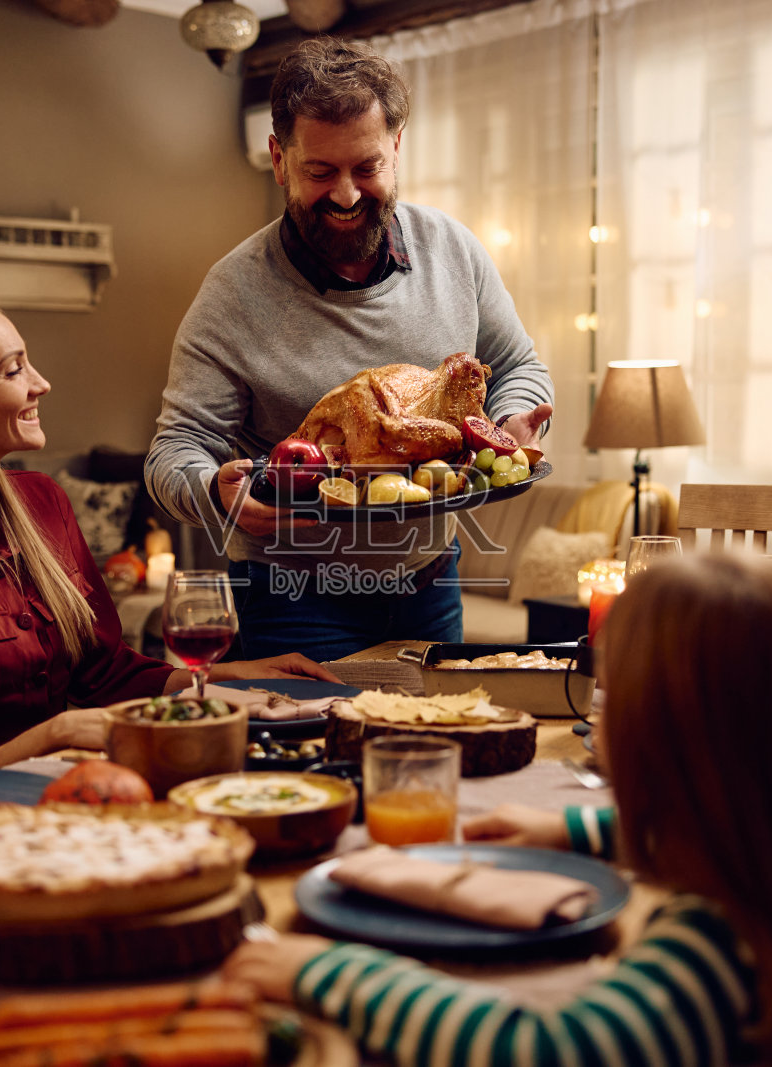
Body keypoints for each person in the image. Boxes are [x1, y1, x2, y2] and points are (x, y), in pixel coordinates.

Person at [226, 555, 772, 1067]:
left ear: (661, 751)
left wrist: (328, 972)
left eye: (614, 693)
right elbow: (742, 810)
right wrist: (572, 827)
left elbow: (537, 1048)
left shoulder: (719, 948)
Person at [144, 37, 555, 662]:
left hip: (430, 581)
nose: (346, 195)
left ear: (396, 148)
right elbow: (175, 450)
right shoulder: (233, 292)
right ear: (279, 160)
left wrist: (508, 421)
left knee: (437, 727)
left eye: (367, 168)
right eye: (320, 172)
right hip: (289, 596)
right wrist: (215, 492)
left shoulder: (453, 250)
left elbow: (518, 365)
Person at [0, 283, 337, 773]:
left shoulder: (43, 503)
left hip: (77, 789)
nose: (40, 384)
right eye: (13, 370)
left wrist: (229, 677)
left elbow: (106, 674)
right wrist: (57, 733)